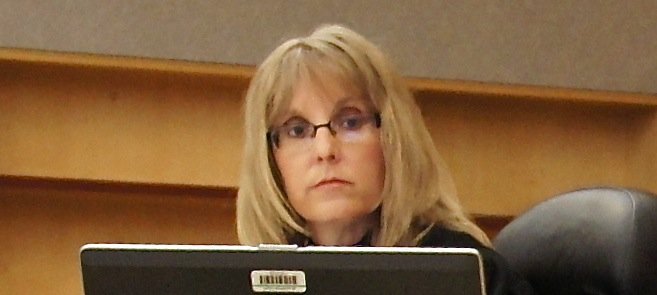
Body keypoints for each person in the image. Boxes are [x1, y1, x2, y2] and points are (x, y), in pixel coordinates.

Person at [236, 24, 534, 294]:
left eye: (350, 122)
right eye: (298, 130)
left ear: (393, 137)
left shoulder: (472, 276)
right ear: (271, 157)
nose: (325, 149)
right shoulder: (244, 280)